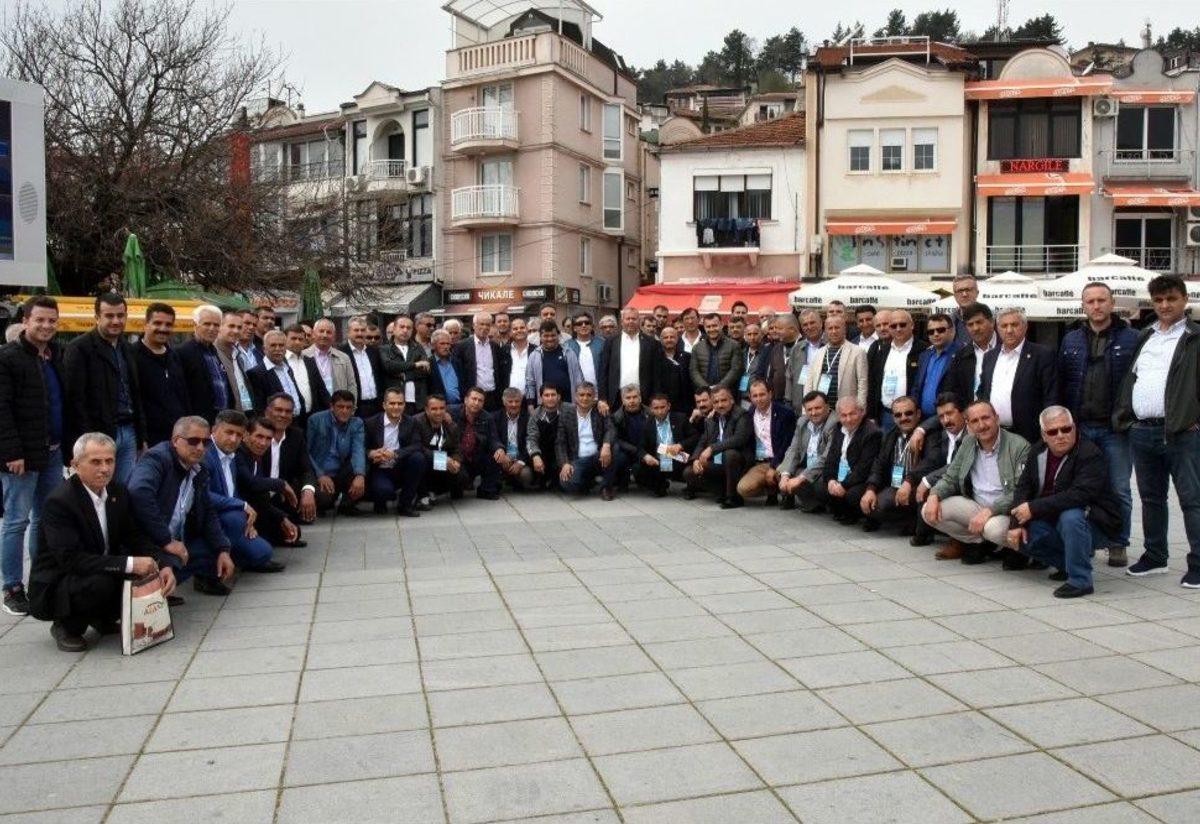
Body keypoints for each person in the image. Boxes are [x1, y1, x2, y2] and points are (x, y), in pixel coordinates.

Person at [28, 433, 175, 651]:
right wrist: (131, 564)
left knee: (139, 571)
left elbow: (134, 536)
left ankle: (101, 617)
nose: (104, 469)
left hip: (99, 566)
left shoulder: (117, 491)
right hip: (60, 581)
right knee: (102, 582)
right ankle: (66, 626)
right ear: (75, 465)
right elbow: (71, 560)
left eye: (109, 461)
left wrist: (162, 563)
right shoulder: (60, 502)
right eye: (96, 462)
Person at [1114, 273, 1200, 587]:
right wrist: (1126, 417)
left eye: (1171, 299)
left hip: (1183, 431)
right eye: (1159, 300)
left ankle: (1198, 562)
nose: (1165, 305)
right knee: (1151, 498)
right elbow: (1133, 378)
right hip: (1142, 430)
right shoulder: (1145, 336)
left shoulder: (1194, 337)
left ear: (1184, 300)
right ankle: (1155, 556)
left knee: (1192, 499)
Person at [1057, 282, 1138, 568]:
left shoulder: (1132, 338)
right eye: (1090, 301)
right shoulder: (1071, 339)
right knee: (1080, 488)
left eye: (1102, 300)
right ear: (1083, 306)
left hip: (1115, 428)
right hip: (1080, 427)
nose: (1096, 306)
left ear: (1112, 303)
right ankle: (1087, 540)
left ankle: (1118, 543)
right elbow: (1063, 381)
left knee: (1119, 488)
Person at [1008, 406, 1120, 598]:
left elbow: (1080, 495)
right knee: (1021, 536)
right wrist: (1015, 524)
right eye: (1053, 432)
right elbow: (1023, 487)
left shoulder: (1090, 453)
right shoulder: (1038, 451)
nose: (1060, 435)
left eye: (1066, 429)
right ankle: (1068, 565)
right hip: (1052, 515)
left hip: (1094, 521)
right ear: (1044, 435)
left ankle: (1081, 580)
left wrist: (1033, 508)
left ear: (1074, 428)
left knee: (1071, 517)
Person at [0, 296, 65, 616]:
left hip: (52, 452)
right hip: (21, 457)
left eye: (52, 320)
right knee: (16, 521)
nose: (46, 325)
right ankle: (12, 587)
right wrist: (12, 452)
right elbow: (2, 409)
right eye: (40, 319)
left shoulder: (55, 355)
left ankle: (42, 579)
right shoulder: (8, 358)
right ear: (25, 321)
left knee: (45, 518)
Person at [128, 416, 236, 597]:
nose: (200, 447)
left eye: (206, 442)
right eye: (193, 441)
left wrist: (223, 549)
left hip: (177, 539)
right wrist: (166, 540)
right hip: (148, 543)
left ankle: (192, 580)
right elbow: (139, 492)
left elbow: (208, 511)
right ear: (176, 441)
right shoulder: (157, 459)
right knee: (172, 557)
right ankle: (151, 589)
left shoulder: (199, 468)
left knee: (217, 545)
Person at [921, 400, 1031, 565]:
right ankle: (979, 544)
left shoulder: (1019, 446)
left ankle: (1017, 549)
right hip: (977, 507)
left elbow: (1019, 492)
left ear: (996, 418)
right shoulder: (968, 442)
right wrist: (933, 495)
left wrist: (990, 511)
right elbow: (951, 477)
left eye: (985, 418)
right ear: (969, 425)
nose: (981, 425)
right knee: (929, 511)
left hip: (1007, 512)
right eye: (974, 421)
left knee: (992, 529)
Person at [62, 293, 146, 483]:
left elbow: (135, 393)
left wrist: (141, 435)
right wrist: (87, 439)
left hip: (129, 431)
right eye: (109, 316)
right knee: (96, 488)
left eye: (120, 315)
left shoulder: (126, 347)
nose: (116, 321)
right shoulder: (79, 348)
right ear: (97, 317)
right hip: (98, 434)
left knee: (122, 490)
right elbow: (75, 400)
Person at [202, 410, 284, 573]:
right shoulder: (205, 454)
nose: (234, 439)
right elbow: (202, 496)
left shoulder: (230, 455)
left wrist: (245, 518)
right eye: (229, 432)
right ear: (214, 430)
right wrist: (241, 506)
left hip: (229, 517)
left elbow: (233, 492)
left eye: (238, 435)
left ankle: (231, 555)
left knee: (264, 552)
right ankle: (208, 572)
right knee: (234, 519)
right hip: (208, 518)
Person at [978, 308, 1057, 445]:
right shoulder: (989, 356)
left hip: (1030, 435)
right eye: (1004, 326)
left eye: (1014, 325)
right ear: (997, 328)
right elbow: (983, 391)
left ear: (1025, 327)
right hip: (994, 433)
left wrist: (1047, 431)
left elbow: (1051, 397)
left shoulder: (1042, 355)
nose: (1009, 330)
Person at [910, 393, 967, 551]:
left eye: (950, 414)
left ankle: (963, 541)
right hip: (945, 479)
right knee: (918, 489)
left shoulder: (971, 435)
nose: (946, 420)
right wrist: (912, 479)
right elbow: (932, 460)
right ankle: (924, 533)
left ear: (963, 413)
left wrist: (928, 480)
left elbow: (957, 465)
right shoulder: (941, 434)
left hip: (965, 482)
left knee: (929, 487)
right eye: (941, 416)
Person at [860, 396, 924, 534]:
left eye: (908, 413)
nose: (903, 418)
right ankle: (906, 521)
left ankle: (913, 521)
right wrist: (870, 489)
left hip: (917, 486)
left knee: (881, 504)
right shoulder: (890, 435)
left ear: (918, 414)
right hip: (894, 484)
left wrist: (909, 481)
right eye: (898, 415)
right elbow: (879, 464)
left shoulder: (926, 435)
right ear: (893, 418)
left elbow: (929, 464)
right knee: (864, 498)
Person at [237, 416, 304, 547]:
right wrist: (281, 484)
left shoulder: (256, 456)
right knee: (263, 551)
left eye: (268, 439)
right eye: (259, 436)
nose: (263, 443)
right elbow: (252, 484)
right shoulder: (238, 454)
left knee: (292, 531)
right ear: (246, 435)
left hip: (257, 507)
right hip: (239, 511)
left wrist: (282, 517)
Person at [814, 397, 881, 525]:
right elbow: (831, 457)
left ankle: (857, 514)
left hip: (861, 479)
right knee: (819, 487)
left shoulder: (872, 433)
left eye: (852, 414)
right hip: (841, 475)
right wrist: (831, 480)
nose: (848, 419)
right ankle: (841, 510)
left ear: (862, 412)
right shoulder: (839, 428)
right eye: (844, 415)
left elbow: (864, 468)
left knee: (852, 494)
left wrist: (844, 485)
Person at [132, 303, 191, 448]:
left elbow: (183, 396)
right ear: (146, 324)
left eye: (168, 324)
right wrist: (141, 438)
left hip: (177, 438)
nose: (163, 328)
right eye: (157, 323)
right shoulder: (131, 356)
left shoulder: (174, 356)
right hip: (148, 440)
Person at [684, 385, 752, 508]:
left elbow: (739, 439)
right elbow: (702, 441)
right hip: (717, 462)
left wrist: (712, 448)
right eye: (716, 402)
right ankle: (722, 492)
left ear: (732, 400)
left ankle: (733, 497)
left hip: (738, 463)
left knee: (730, 454)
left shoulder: (742, 415)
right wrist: (695, 459)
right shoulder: (711, 419)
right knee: (689, 472)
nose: (720, 405)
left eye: (723, 400)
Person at [735, 379, 798, 505]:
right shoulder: (749, 414)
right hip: (760, 463)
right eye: (755, 396)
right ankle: (772, 490)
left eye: (762, 394)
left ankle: (786, 493)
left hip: (781, 460)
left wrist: (773, 466)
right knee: (743, 489)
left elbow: (787, 444)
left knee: (783, 475)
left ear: (770, 394)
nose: (759, 399)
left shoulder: (785, 414)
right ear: (750, 398)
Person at [260, 393, 318, 525]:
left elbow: (306, 469)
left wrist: (308, 491)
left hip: (283, 493)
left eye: (288, 411)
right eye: (278, 410)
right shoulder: (257, 435)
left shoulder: (296, 435)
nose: (283, 415)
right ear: (267, 412)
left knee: (317, 497)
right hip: (259, 492)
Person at [305, 390, 367, 515]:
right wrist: (320, 475)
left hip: (341, 471)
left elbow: (358, 450)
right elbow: (306, 452)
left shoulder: (357, 423)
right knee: (324, 500)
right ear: (331, 407)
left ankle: (347, 504)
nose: (345, 411)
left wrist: (360, 475)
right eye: (340, 407)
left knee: (366, 463)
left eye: (349, 407)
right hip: (320, 471)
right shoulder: (316, 420)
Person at [365, 388, 424, 516]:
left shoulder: (411, 422)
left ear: (404, 405)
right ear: (384, 405)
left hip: (400, 465)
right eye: (392, 403)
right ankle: (380, 501)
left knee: (418, 458)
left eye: (400, 403)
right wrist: (372, 453)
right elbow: (362, 448)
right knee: (384, 492)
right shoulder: (371, 423)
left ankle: (405, 504)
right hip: (380, 468)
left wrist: (396, 454)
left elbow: (417, 445)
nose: (396, 407)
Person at [867, 310, 928, 429]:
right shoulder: (882, 351)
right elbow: (873, 383)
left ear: (912, 325)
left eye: (902, 324)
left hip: (912, 416)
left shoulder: (924, 350)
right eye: (894, 326)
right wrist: (872, 415)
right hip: (886, 414)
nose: (898, 329)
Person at [778, 391, 837, 512]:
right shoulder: (802, 422)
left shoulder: (834, 423)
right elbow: (794, 450)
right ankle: (812, 504)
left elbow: (826, 458)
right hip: (807, 466)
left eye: (818, 408)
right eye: (809, 409)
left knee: (809, 482)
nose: (813, 413)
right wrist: (785, 475)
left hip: (826, 471)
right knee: (782, 470)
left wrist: (801, 478)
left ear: (827, 406)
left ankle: (827, 504)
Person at [177, 305, 234, 423]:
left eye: (216, 325)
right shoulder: (183, 352)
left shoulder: (213, 351)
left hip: (220, 420)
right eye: (207, 324)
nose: (212, 328)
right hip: (197, 422)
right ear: (195, 325)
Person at [600, 307, 664, 414]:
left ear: (639, 321)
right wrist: (602, 398)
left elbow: (657, 374)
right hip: (616, 397)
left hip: (644, 397)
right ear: (622, 321)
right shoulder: (611, 342)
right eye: (627, 319)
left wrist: (656, 398)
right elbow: (603, 371)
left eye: (634, 319)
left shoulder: (651, 343)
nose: (630, 321)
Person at [556, 382, 614, 496]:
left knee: (615, 448)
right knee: (566, 482)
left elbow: (610, 429)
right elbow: (560, 442)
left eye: (589, 395)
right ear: (575, 397)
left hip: (599, 457)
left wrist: (606, 446)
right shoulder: (566, 413)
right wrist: (565, 463)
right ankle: (589, 482)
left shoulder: (601, 410)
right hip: (578, 460)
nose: (585, 398)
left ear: (594, 397)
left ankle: (606, 487)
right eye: (581, 395)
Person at [805, 315, 868, 409]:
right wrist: (806, 408)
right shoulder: (818, 353)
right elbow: (809, 381)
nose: (834, 331)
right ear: (825, 331)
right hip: (821, 409)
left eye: (837, 328)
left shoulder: (858, 352)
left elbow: (862, 382)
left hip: (847, 409)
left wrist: (860, 407)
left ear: (844, 330)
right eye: (830, 328)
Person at [414, 394, 469, 500]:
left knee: (462, 476)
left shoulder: (451, 425)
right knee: (418, 460)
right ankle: (423, 494)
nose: (438, 412)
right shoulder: (417, 422)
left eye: (441, 408)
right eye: (434, 409)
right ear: (426, 410)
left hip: (442, 463)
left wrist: (456, 461)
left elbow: (457, 448)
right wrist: (443, 459)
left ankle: (436, 491)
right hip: (426, 461)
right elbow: (417, 446)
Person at [450, 387, 502, 500]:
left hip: (476, 456)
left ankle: (486, 490)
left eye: (480, 400)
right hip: (457, 458)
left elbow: (494, 439)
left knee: (496, 455)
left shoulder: (487, 418)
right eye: (474, 399)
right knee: (459, 484)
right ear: (466, 400)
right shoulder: (451, 412)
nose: (476, 403)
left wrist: (499, 448)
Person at [636, 393, 690, 497]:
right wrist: (646, 456)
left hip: (678, 456)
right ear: (651, 409)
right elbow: (640, 446)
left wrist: (680, 445)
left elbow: (694, 437)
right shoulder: (647, 424)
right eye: (656, 408)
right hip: (658, 459)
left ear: (668, 406)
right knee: (638, 469)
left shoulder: (680, 418)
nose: (660, 411)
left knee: (685, 465)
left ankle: (689, 487)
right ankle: (661, 485)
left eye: (662, 407)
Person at [452, 312, 507, 411]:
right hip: (473, 398)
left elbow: (500, 372)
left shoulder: (495, 347)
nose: (484, 327)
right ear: (474, 325)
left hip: (493, 396)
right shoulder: (462, 347)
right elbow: (459, 374)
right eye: (481, 324)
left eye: (487, 325)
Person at [912, 313, 963, 420]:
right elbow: (917, 386)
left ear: (952, 330)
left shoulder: (962, 354)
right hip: (922, 418)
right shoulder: (924, 355)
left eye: (940, 330)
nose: (935, 334)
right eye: (931, 332)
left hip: (949, 418)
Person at [604, 384, 650, 498]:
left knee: (648, 482)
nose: (632, 401)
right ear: (622, 400)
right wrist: (636, 451)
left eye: (635, 397)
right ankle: (613, 483)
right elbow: (616, 439)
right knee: (616, 452)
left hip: (647, 452)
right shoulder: (615, 417)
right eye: (628, 398)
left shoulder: (651, 414)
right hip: (627, 452)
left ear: (640, 398)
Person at [247, 330, 306, 417]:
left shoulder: (288, 369)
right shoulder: (256, 373)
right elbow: (259, 407)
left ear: (285, 349)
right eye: (273, 345)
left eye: (281, 345)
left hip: (296, 420)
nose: (277, 349)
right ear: (264, 349)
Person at [340, 316, 386, 419]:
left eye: (363, 330)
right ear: (348, 333)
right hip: (355, 406)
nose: (360, 333)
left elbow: (380, 377)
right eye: (356, 330)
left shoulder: (373, 351)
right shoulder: (341, 353)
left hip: (376, 405)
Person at [526, 322, 583, 406]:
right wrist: (530, 404)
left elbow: (578, 378)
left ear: (558, 336)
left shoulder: (569, 352)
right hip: (545, 405)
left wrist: (580, 400)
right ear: (540, 337)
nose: (550, 339)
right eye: (546, 336)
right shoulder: (534, 356)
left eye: (553, 335)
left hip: (569, 403)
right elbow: (530, 382)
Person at [283, 323, 329, 425]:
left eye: (300, 339)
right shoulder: (280, 362)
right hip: (288, 418)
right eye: (293, 338)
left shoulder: (309, 361)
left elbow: (321, 388)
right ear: (285, 339)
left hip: (311, 417)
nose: (297, 342)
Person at [380, 315, 429, 409]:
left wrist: (402, 373)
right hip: (395, 401)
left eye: (408, 328)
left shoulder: (418, 348)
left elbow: (425, 370)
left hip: (417, 401)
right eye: (402, 327)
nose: (405, 330)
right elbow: (389, 366)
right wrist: (415, 364)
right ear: (394, 329)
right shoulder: (385, 349)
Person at [213, 310, 256, 416]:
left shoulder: (237, 355)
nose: (236, 331)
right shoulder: (212, 354)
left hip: (244, 413)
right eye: (231, 326)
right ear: (220, 327)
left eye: (239, 327)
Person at [689, 312, 742, 396]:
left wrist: (719, 388)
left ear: (721, 325)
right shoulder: (697, 347)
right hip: (705, 394)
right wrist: (706, 388)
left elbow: (735, 370)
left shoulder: (734, 345)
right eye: (708, 327)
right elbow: (694, 371)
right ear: (704, 328)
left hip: (727, 393)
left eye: (714, 326)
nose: (712, 329)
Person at [491, 387, 533, 490]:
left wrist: (521, 462)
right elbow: (493, 438)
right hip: (502, 458)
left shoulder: (528, 418)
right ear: (504, 402)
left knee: (526, 475)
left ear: (521, 402)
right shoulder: (495, 417)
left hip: (520, 458)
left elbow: (531, 442)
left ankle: (513, 480)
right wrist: (500, 450)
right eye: (510, 401)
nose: (514, 405)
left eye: (517, 401)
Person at [304, 318, 355, 397]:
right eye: (321, 331)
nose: (325, 335)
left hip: (339, 403)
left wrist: (351, 404)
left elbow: (352, 385)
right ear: (313, 334)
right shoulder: (304, 356)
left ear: (334, 337)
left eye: (329, 332)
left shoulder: (343, 358)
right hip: (315, 403)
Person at [527, 385, 563, 490]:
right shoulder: (535, 415)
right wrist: (535, 455)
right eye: (546, 395)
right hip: (543, 454)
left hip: (563, 453)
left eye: (553, 395)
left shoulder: (568, 411)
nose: (550, 398)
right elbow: (531, 438)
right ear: (541, 398)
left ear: (558, 397)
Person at [658, 325, 693, 415]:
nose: (669, 339)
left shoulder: (687, 357)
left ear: (677, 339)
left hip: (684, 406)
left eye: (672, 337)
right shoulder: (655, 358)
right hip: (663, 407)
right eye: (666, 337)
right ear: (661, 340)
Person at [567, 312, 604, 388]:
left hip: (599, 390)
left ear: (592, 326)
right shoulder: (567, 346)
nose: (583, 325)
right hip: (576, 391)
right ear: (574, 328)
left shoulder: (602, 343)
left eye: (587, 323)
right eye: (579, 324)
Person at [428, 329, 463, 405]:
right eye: (442, 343)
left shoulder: (457, 362)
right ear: (433, 345)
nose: (446, 346)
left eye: (448, 344)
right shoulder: (428, 364)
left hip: (459, 405)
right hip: (439, 407)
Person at [948, 275, 979, 342]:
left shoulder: (992, 319)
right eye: (960, 291)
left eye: (968, 290)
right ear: (954, 296)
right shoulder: (949, 322)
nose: (964, 294)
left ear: (977, 293)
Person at [505, 318, 531, 398]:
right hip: (509, 399)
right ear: (510, 332)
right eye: (515, 329)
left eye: (522, 327)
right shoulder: (504, 351)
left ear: (527, 329)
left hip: (530, 398)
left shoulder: (535, 350)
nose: (519, 330)